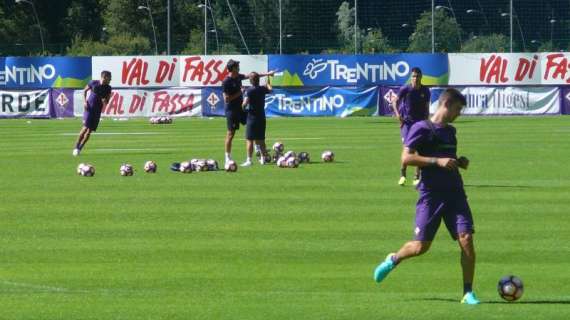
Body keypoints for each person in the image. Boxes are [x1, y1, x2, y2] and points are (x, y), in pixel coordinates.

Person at [374, 88, 480, 305]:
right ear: (446, 105)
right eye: (458, 109)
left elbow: (446, 157)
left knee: (466, 239)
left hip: (455, 194)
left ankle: (467, 292)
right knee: (420, 247)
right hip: (430, 196)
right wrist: (436, 161)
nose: (459, 114)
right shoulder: (420, 128)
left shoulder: (451, 131)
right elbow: (406, 158)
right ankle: (394, 259)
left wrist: (458, 161)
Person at [222, 59, 273, 165]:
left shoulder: (238, 77)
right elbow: (226, 99)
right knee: (231, 133)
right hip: (232, 110)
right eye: (237, 66)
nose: (239, 67)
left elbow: (253, 75)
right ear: (233, 68)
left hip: (241, 109)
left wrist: (267, 74)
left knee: (252, 128)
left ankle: (258, 152)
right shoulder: (226, 81)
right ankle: (227, 157)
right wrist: (240, 93)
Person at [391, 67, 431, 186]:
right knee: (407, 149)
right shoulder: (406, 89)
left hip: (420, 124)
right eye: (413, 76)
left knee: (419, 150)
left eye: (417, 76)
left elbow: (427, 107)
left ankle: (416, 177)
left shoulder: (426, 91)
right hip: (407, 124)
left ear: (421, 77)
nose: (415, 78)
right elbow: (394, 101)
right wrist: (398, 115)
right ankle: (403, 175)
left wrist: (427, 121)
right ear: (411, 77)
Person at [72, 71, 112, 156]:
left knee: (89, 131)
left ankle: (80, 149)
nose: (110, 79)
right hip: (89, 108)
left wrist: (106, 101)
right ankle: (76, 147)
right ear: (104, 77)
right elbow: (85, 91)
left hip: (97, 111)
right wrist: (85, 101)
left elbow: (107, 101)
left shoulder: (108, 88)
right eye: (109, 77)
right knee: (85, 128)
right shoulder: (93, 83)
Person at [240, 72, 272, 166]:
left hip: (252, 118)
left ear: (251, 80)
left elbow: (244, 104)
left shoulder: (249, 91)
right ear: (258, 80)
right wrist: (268, 84)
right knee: (261, 140)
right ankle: (263, 159)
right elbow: (270, 89)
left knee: (249, 139)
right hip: (261, 117)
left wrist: (243, 107)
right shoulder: (262, 89)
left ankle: (249, 160)